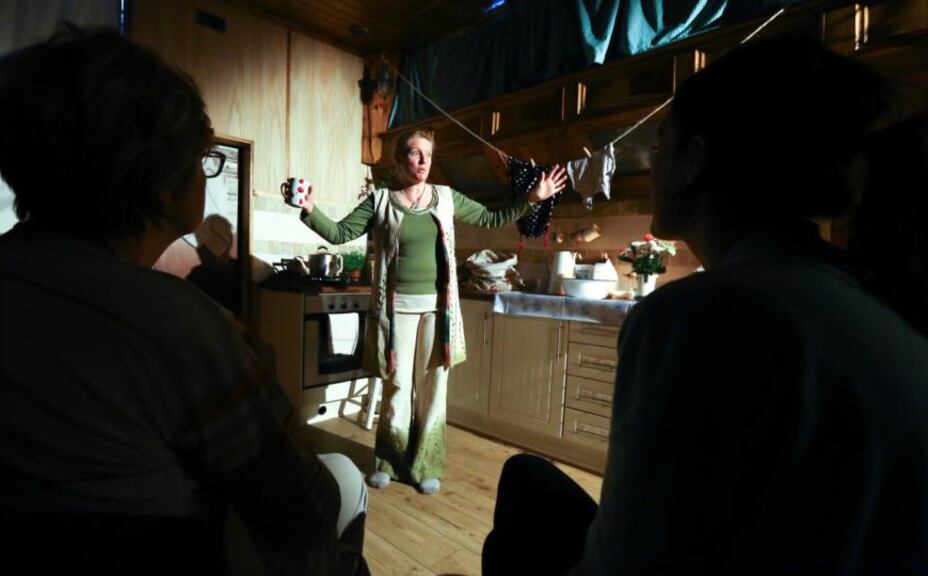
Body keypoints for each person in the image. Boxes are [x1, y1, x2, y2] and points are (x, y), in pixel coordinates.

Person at [0, 26, 367, 575]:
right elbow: (302, 511)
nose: (205, 172)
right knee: (343, 480)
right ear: (160, 185)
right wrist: (268, 389)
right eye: (201, 159)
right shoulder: (181, 327)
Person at [483, 37, 928, 575]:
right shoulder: (872, 296)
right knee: (530, 480)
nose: (648, 167)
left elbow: (629, 561)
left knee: (523, 494)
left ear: (693, 160)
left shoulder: (695, 317)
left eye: (659, 146)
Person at [283, 130, 567, 494]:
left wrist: (532, 198)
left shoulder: (447, 198)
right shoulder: (381, 200)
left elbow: (492, 219)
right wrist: (309, 207)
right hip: (396, 309)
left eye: (427, 155)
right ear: (400, 160)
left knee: (434, 384)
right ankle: (389, 459)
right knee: (398, 384)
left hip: (438, 310)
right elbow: (340, 233)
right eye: (414, 154)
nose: (422, 161)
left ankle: (426, 463)